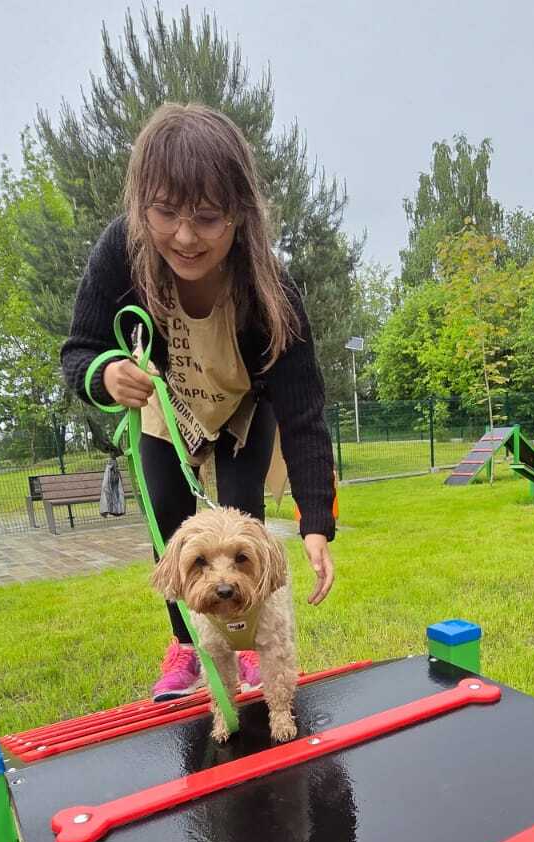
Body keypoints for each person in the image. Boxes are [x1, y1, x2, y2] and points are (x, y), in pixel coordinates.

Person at [61, 102, 338, 701]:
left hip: (241, 415)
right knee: (173, 533)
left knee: (241, 534)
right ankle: (187, 647)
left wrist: (317, 520)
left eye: (208, 219)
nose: (184, 238)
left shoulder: (270, 288)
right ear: (141, 207)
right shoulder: (121, 251)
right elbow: (78, 351)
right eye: (164, 214)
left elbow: (304, 410)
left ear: (240, 216)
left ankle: (254, 649)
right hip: (164, 413)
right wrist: (106, 374)